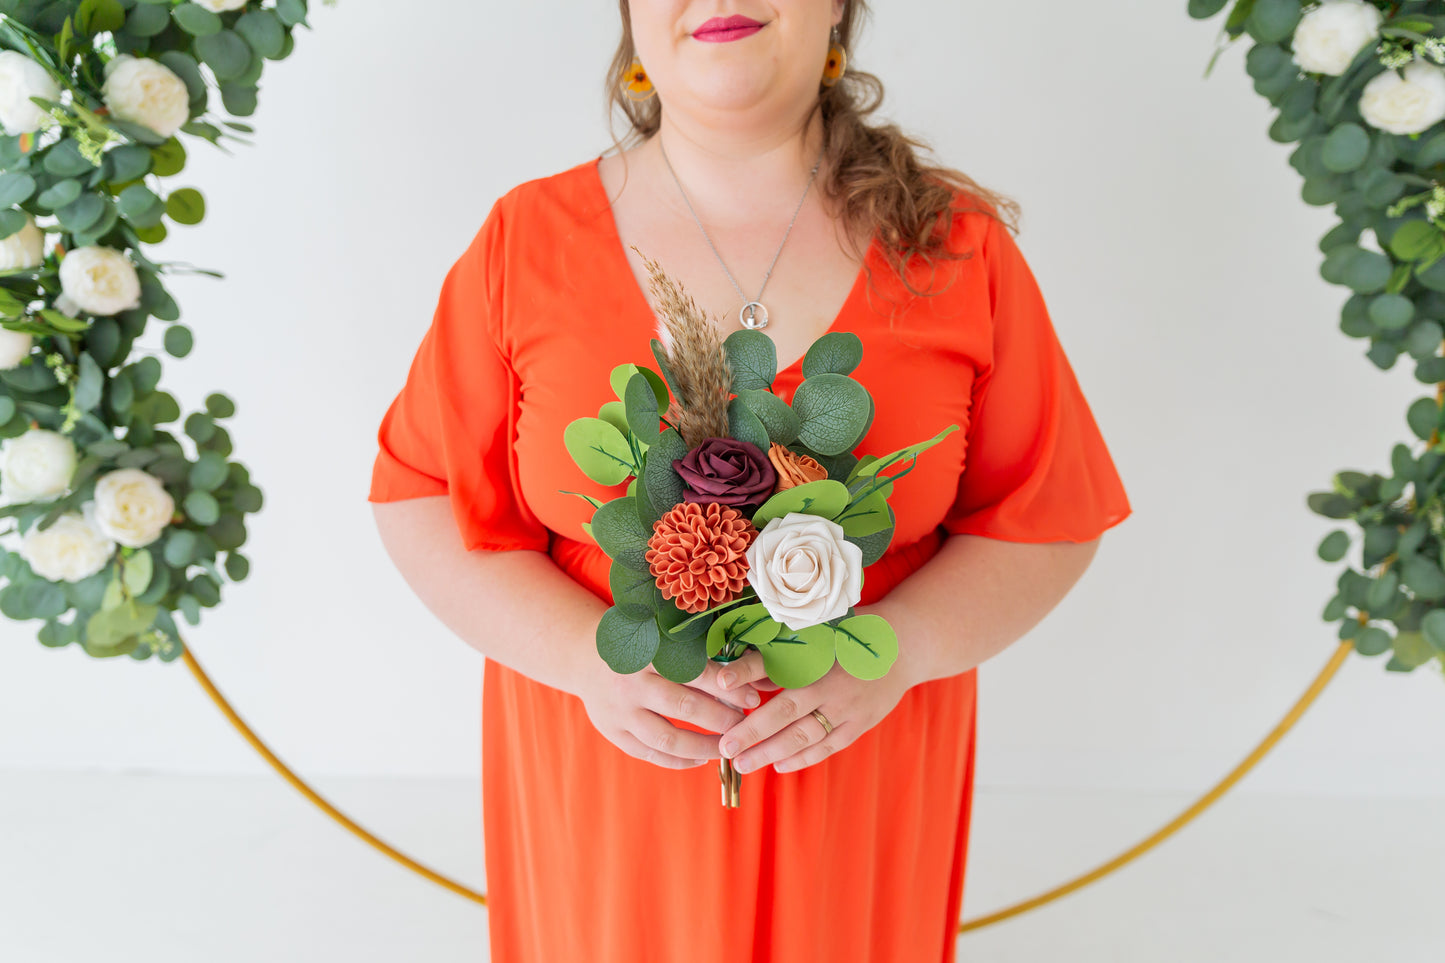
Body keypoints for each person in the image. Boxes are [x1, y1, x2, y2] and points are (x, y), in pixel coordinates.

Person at [368, 1, 1132, 960]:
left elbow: (1046, 516)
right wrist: (582, 657)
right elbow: (420, 495)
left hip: (860, 792)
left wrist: (897, 649)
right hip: (603, 800)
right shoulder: (525, 238)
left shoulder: (955, 245)